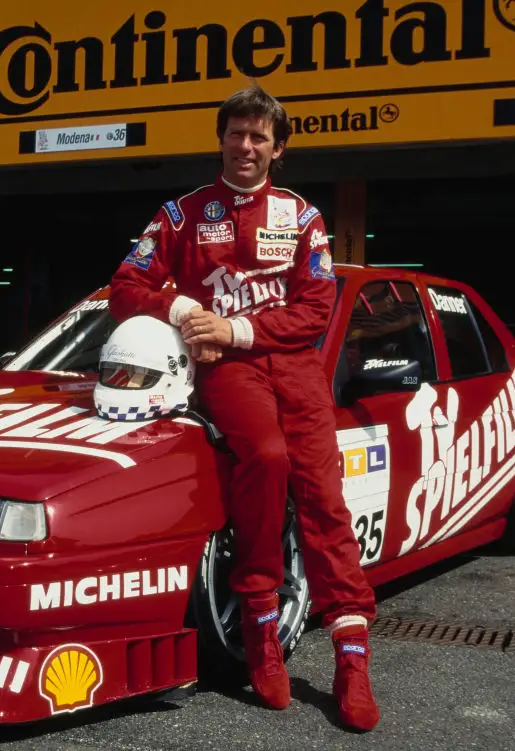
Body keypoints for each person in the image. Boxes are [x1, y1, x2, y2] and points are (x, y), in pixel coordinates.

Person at [107, 83, 380, 731]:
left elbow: (317, 308)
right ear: (221, 139)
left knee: (323, 493)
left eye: (259, 136)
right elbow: (125, 285)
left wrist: (238, 329)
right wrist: (182, 310)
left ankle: (352, 659)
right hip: (227, 372)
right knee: (264, 455)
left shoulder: (301, 216)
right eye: (237, 134)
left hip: (292, 366)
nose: (246, 146)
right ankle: (260, 626)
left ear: (277, 148)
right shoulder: (182, 213)